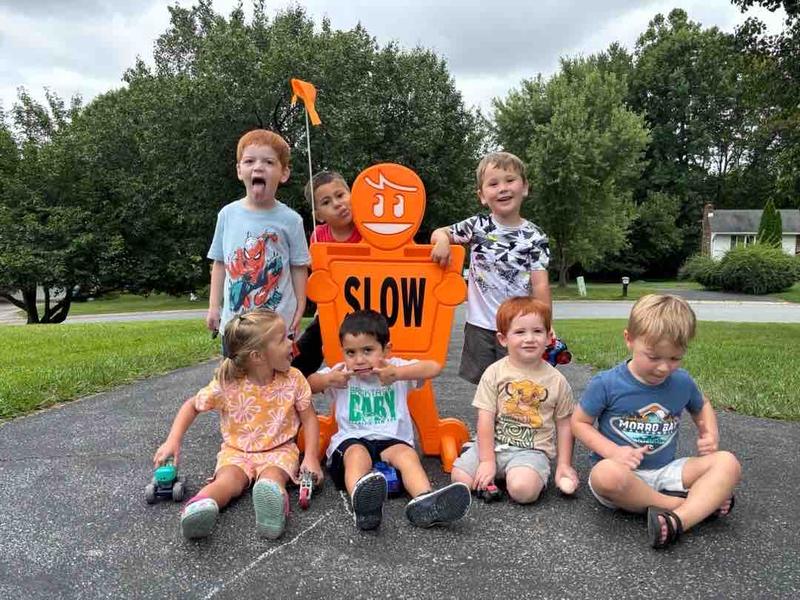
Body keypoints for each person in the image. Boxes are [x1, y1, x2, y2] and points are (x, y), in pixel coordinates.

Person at [571, 294, 741, 549]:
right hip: (623, 475)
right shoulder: (607, 383)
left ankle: (677, 521)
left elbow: (702, 405)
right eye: (653, 357)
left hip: (665, 471)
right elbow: (579, 423)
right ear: (629, 339)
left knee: (728, 463)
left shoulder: (682, 382)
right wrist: (613, 452)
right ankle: (692, 506)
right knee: (605, 476)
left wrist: (709, 432)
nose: (663, 368)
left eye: (675, 358)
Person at [153, 309, 322, 540]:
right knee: (227, 482)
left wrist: (311, 457)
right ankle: (200, 507)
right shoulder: (228, 384)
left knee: (272, 478)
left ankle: (272, 512)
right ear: (258, 356)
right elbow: (192, 406)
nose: (291, 342)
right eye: (283, 339)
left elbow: (309, 418)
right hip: (236, 452)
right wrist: (173, 440)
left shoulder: (294, 379)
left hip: (279, 451)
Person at [308, 310, 471, 530]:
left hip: (392, 440)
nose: (359, 359)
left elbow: (433, 367)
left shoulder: (394, 368)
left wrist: (398, 374)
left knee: (407, 456)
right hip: (352, 439)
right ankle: (363, 503)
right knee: (357, 455)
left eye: (368, 350)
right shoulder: (341, 373)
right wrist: (328, 379)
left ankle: (426, 501)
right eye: (351, 352)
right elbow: (307, 384)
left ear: (386, 350)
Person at [430, 151, 551, 385]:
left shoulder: (535, 236)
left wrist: (545, 324)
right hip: (479, 324)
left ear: (524, 187)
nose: (502, 188)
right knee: (485, 385)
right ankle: (486, 423)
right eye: (493, 184)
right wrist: (444, 241)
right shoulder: (477, 226)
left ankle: (513, 422)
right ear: (482, 196)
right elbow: (439, 232)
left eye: (510, 180)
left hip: (518, 325)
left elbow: (540, 284)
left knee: (518, 383)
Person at [451, 297, 578, 503]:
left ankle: (506, 479)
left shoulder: (557, 381)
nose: (529, 338)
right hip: (494, 443)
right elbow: (485, 419)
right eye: (520, 332)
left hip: (530, 451)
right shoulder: (494, 373)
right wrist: (487, 460)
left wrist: (564, 465)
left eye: (537, 331)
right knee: (459, 478)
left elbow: (565, 425)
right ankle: (489, 474)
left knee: (523, 491)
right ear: (503, 339)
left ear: (548, 337)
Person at [206, 129, 310, 351]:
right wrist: (214, 307)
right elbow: (220, 263)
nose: (258, 167)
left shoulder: (291, 220)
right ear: (239, 170)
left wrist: (301, 306)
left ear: (284, 173)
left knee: (278, 382)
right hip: (235, 327)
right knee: (235, 382)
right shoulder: (227, 214)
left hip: (278, 327)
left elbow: (299, 267)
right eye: (249, 161)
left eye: (269, 162)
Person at [291, 171, 362, 376]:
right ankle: (290, 386)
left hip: (367, 309)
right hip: (333, 309)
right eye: (326, 202)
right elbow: (320, 274)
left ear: (352, 195)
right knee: (303, 354)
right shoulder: (319, 235)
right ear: (318, 215)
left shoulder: (367, 228)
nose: (338, 204)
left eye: (341, 195)